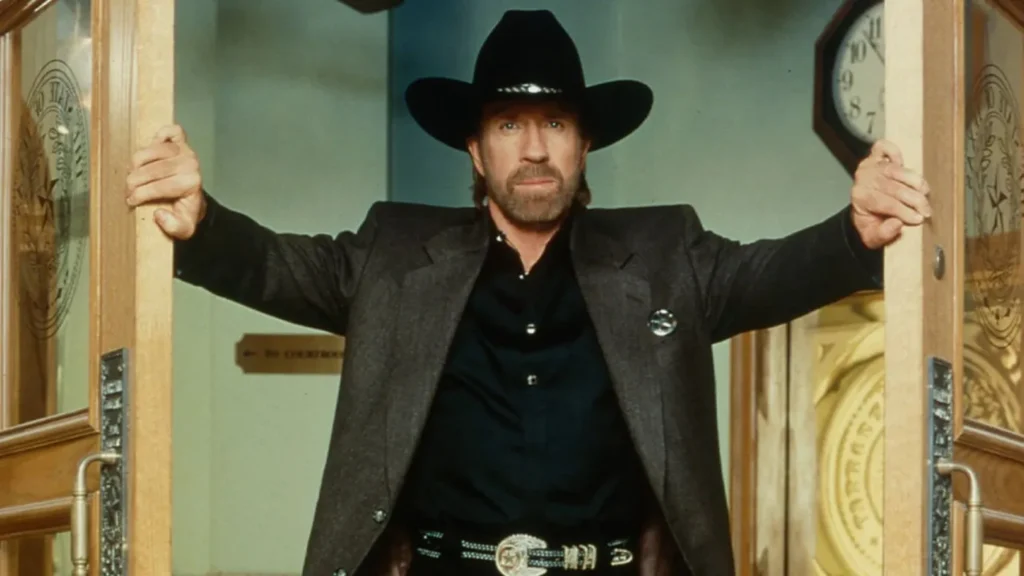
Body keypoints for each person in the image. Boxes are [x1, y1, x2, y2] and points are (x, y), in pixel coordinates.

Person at [125, 9, 930, 576]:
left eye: (556, 125)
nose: (535, 148)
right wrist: (199, 221)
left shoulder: (665, 255)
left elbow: (774, 273)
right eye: (510, 124)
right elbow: (272, 265)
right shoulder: (393, 255)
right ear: (477, 151)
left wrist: (855, 231)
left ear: (585, 144)